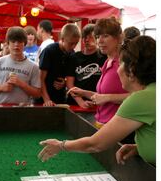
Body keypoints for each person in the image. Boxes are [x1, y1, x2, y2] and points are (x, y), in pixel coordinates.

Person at [39, 36, 156, 166]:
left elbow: (95, 144)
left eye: (121, 63)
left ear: (132, 70)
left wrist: (61, 145)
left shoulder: (141, 99)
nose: (118, 69)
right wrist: (139, 148)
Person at [67, 17, 130, 128]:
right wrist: (83, 92)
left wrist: (108, 97)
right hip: (101, 123)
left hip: (117, 128)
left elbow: (138, 97)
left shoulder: (123, 63)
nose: (100, 41)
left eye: (105, 36)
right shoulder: (107, 62)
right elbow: (103, 97)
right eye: (97, 36)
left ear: (119, 38)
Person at [0, 27, 42, 104]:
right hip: (0, 110)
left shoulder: (33, 67)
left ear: (24, 43)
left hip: (23, 111)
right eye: (13, 41)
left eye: (19, 41)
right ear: (8, 43)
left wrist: (21, 84)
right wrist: (2, 87)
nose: (16, 45)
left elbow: (38, 94)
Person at [65, 24, 106, 110]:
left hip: (97, 104)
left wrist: (96, 101)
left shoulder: (104, 57)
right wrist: (80, 101)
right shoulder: (74, 57)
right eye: (84, 37)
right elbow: (69, 83)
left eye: (90, 37)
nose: (87, 40)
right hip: (75, 103)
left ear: (97, 38)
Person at [38, 23, 80, 106]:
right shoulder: (49, 51)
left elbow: (68, 79)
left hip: (60, 99)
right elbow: (40, 79)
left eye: (76, 43)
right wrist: (47, 100)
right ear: (62, 39)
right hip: (43, 100)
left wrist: (64, 82)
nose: (73, 47)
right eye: (71, 43)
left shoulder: (71, 54)